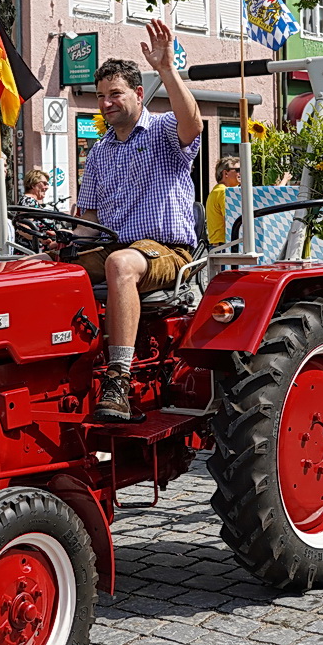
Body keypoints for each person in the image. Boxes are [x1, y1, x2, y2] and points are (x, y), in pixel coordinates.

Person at [75, 22, 201, 421]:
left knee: (120, 264)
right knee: (46, 269)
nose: (106, 103)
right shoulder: (98, 153)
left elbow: (193, 122)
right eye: (100, 96)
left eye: (115, 94)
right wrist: (60, 244)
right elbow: (89, 224)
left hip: (167, 252)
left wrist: (167, 69)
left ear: (138, 95)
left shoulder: (163, 130)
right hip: (117, 247)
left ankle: (118, 379)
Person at [206, 156, 240, 244]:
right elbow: (232, 221)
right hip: (225, 246)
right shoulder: (224, 192)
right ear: (225, 173)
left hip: (218, 246)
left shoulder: (217, 190)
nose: (241, 173)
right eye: (238, 170)